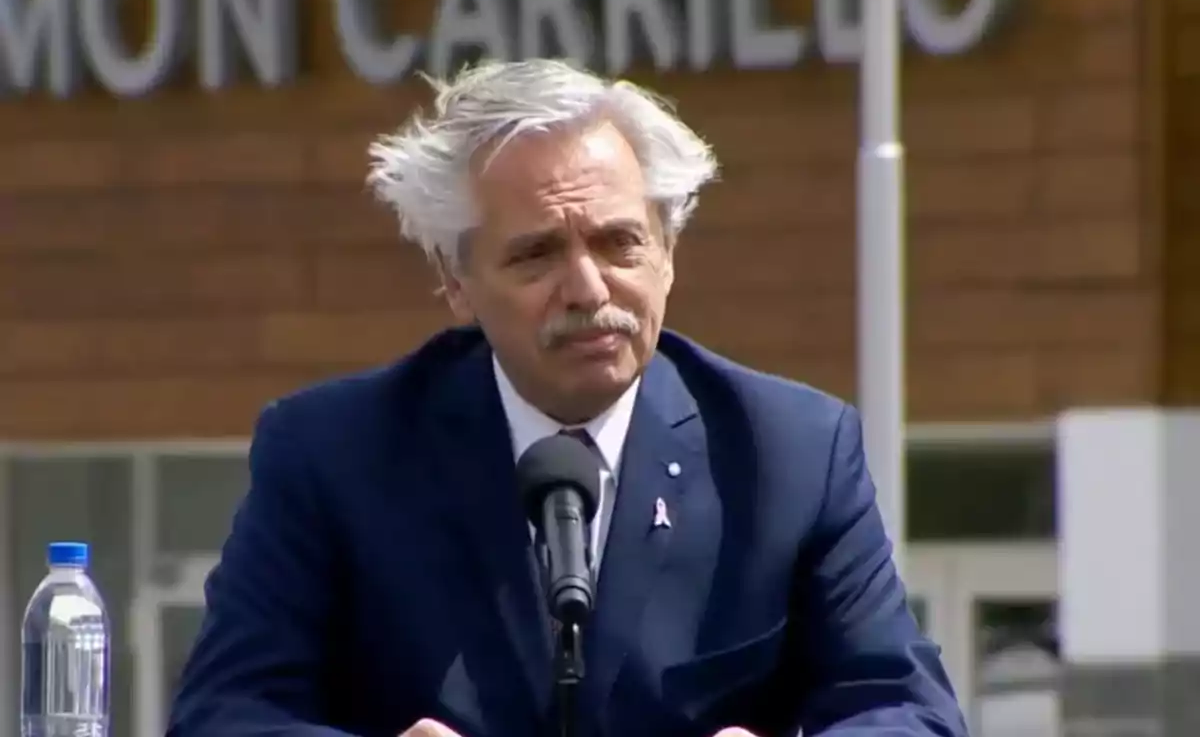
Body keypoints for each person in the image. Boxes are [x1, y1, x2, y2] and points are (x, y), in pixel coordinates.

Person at [167, 59, 967, 737]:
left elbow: (904, 708)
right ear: (455, 282)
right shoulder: (332, 454)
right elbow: (225, 712)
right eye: (537, 255)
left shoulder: (791, 451)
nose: (588, 289)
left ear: (668, 253)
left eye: (621, 243)